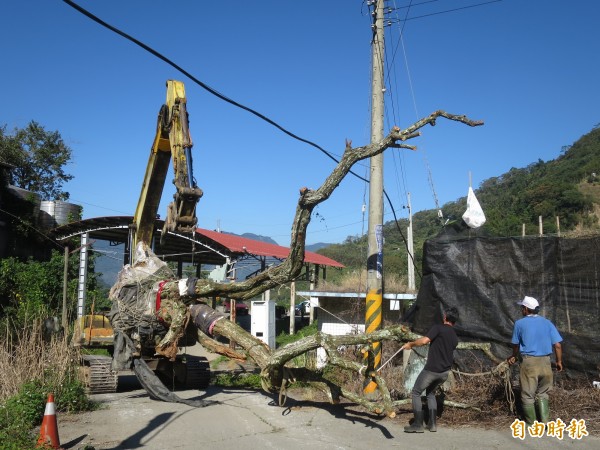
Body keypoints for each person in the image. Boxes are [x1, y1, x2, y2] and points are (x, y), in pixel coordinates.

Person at [401, 307, 459, 433]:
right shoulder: (454, 336)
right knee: (430, 393)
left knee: (416, 392)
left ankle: (417, 424)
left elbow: (424, 341)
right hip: (444, 373)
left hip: (432, 370)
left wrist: (410, 344)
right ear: (454, 321)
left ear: (445, 317)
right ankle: (432, 424)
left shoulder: (438, 328)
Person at [507, 296, 563, 426]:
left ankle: (532, 424)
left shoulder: (519, 324)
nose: (521, 309)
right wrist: (559, 361)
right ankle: (545, 422)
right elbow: (558, 345)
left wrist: (513, 356)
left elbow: (515, 345)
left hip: (529, 363)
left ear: (526, 309)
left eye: (522, 307)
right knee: (543, 393)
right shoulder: (547, 322)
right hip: (546, 362)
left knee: (527, 394)